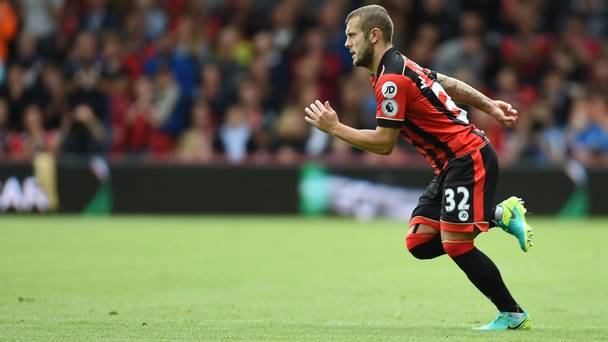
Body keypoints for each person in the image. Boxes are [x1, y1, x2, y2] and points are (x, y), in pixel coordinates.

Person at [304, 5, 534, 331]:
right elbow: (448, 84)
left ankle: (512, 314)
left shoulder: (392, 79)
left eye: (351, 35)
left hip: (467, 159)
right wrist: (489, 105)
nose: (346, 43)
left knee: (457, 244)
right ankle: (497, 214)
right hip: (449, 166)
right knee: (419, 242)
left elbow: (384, 143)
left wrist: (335, 129)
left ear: (374, 35)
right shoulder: (398, 65)